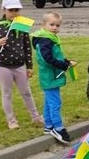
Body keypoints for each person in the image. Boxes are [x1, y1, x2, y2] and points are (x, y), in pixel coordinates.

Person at [0, 0, 43, 129]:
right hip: (3, 66)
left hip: (19, 66)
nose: (13, 13)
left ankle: (35, 117)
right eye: (10, 10)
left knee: (26, 92)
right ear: (4, 10)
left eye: (16, 10)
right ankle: (11, 120)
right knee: (6, 93)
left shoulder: (22, 27)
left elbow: (27, 48)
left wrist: (29, 66)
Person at [31, 12, 77, 143]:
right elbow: (48, 59)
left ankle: (48, 126)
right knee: (55, 103)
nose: (55, 27)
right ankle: (58, 128)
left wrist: (66, 62)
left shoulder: (49, 38)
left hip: (50, 75)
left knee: (49, 102)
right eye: (52, 25)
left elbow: (56, 56)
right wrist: (63, 65)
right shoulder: (45, 40)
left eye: (57, 25)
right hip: (49, 76)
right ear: (43, 25)